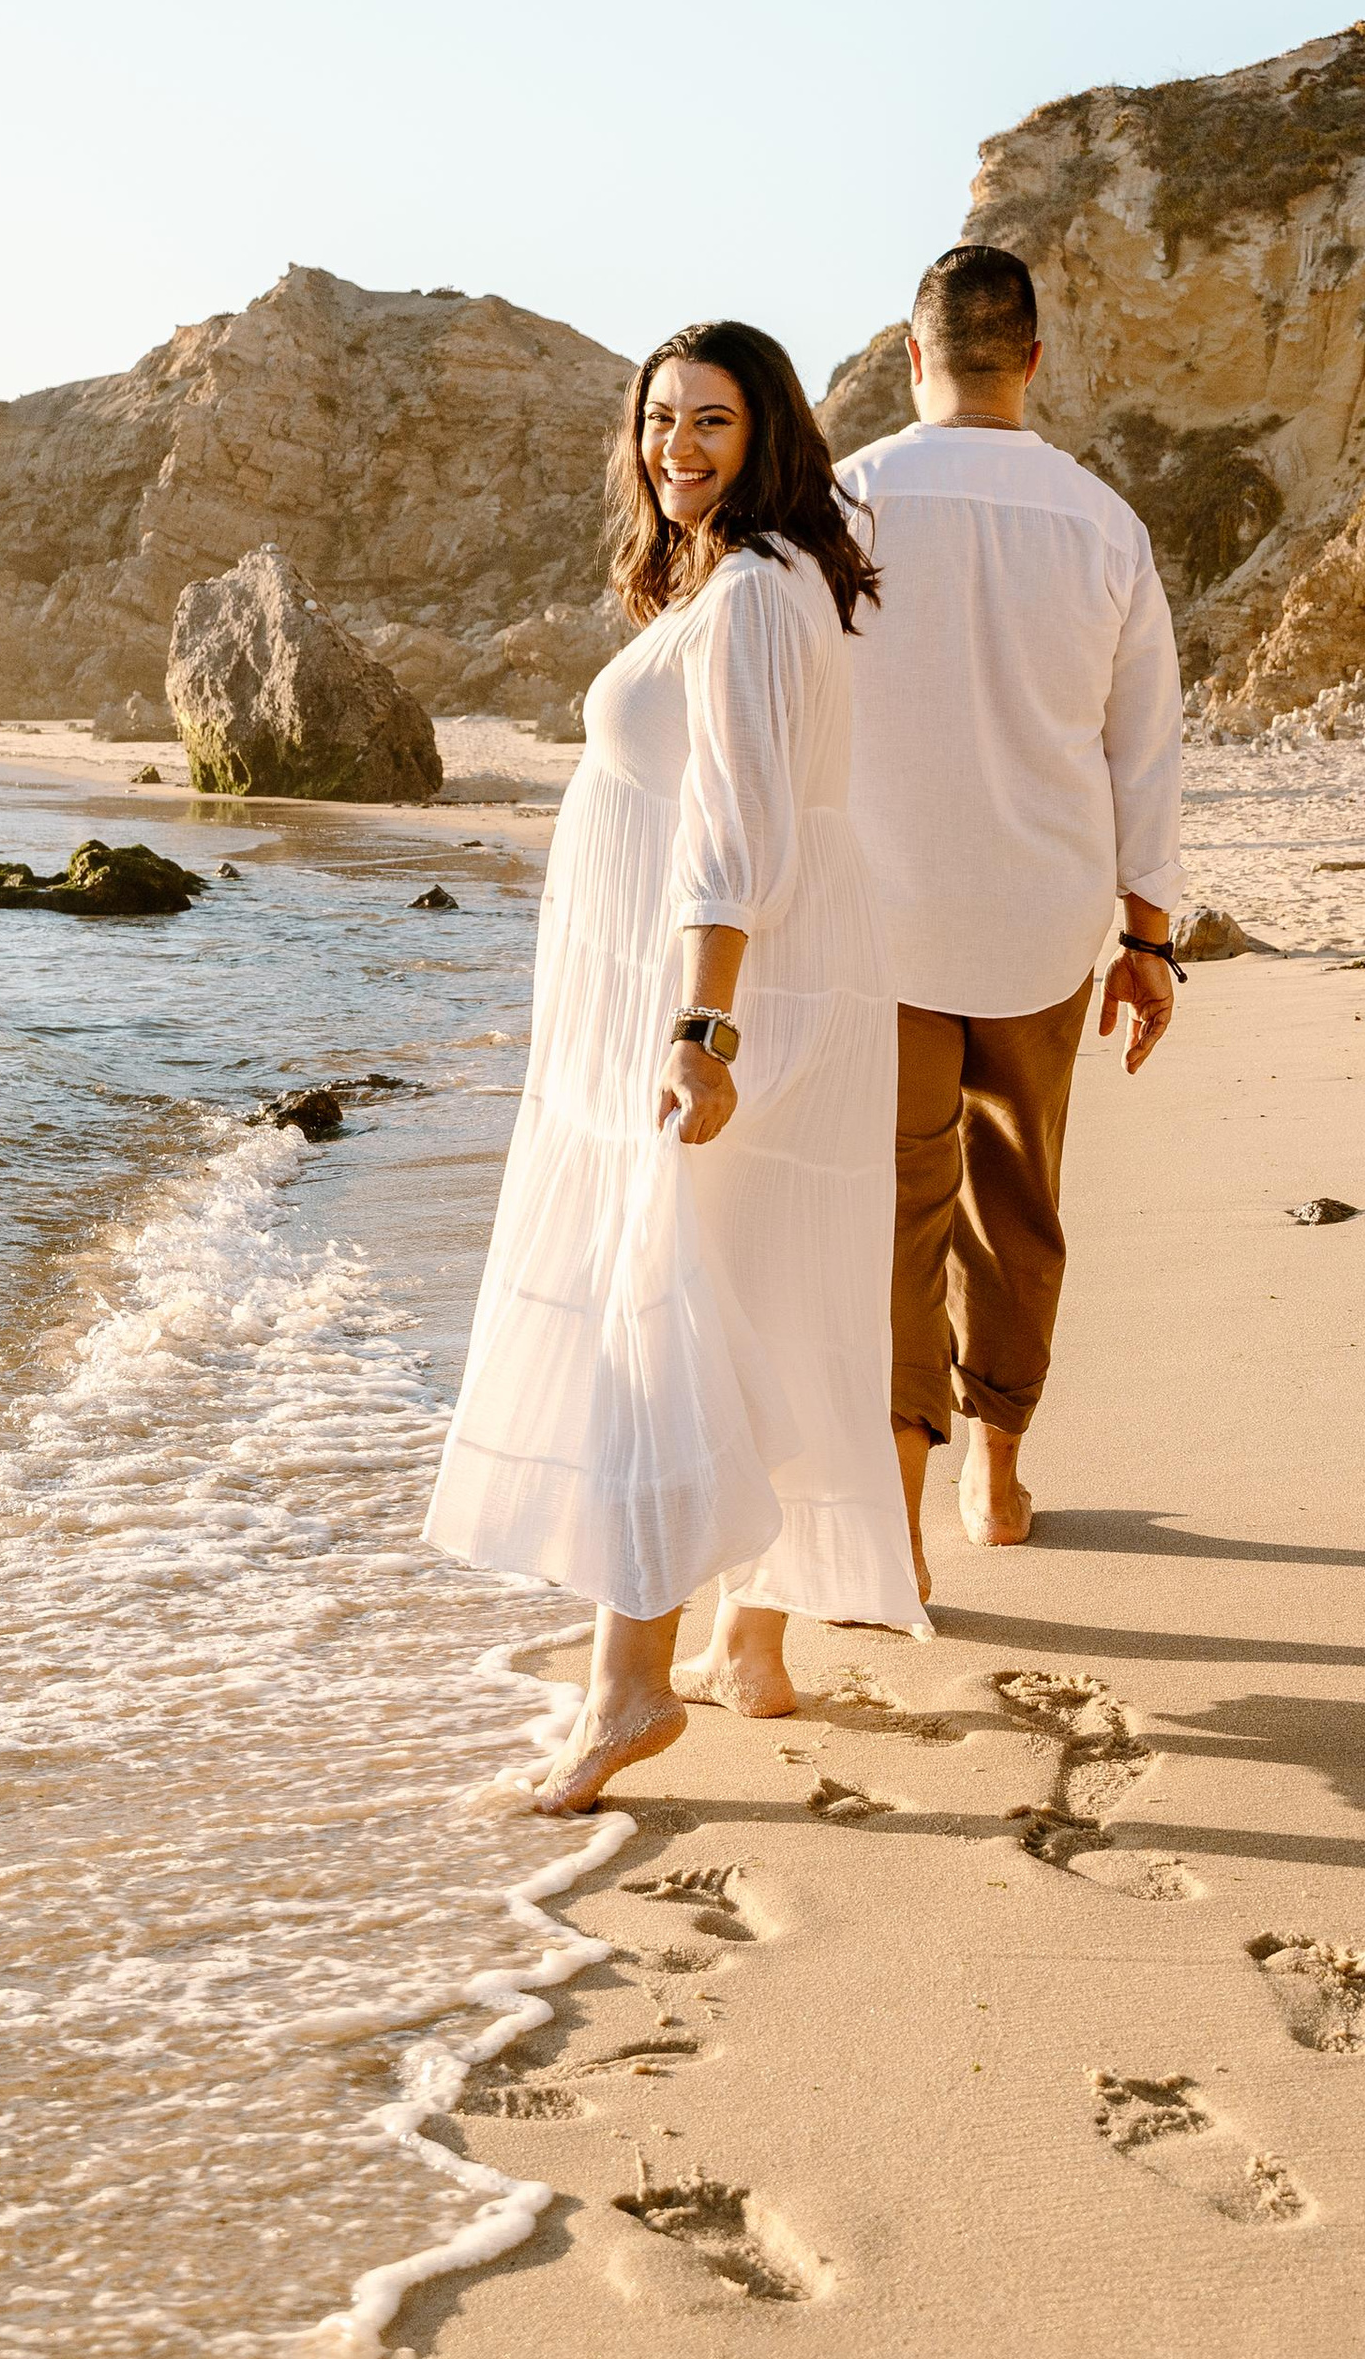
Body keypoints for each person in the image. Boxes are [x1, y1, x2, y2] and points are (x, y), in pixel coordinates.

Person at [425, 318, 925, 1814]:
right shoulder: (754, 580)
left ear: (767, 432)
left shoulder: (758, 589)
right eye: (658, 418)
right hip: (762, 982)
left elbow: (734, 830)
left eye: (711, 419)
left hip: (724, 996)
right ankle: (747, 1647)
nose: (677, 446)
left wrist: (702, 1030)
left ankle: (628, 1687)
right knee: (744, 1293)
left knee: (652, 1319)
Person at [835, 243, 1186, 1590]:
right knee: (1016, 1199)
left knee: (899, 1213)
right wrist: (1148, 941)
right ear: (1034, 359)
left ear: (910, 352)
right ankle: (995, 1474)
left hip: (883, 924)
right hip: (1045, 924)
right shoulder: (1102, 523)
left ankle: (898, 1519)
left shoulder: (845, 501)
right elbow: (1144, 750)